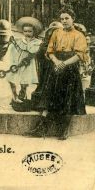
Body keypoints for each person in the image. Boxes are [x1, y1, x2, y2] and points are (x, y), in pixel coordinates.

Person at [28, 8, 89, 140]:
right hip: (56, 66)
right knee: (49, 95)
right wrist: (56, 62)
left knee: (68, 97)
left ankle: (64, 130)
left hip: (70, 68)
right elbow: (50, 51)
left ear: (73, 19)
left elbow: (79, 54)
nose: (64, 21)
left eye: (67, 18)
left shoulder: (79, 35)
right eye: (62, 19)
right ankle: (42, 128)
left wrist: (64, 63)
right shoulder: (56, 32)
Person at [7, 17, 42, 105]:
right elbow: (13, 50)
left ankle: (22, 94)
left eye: (30, 31)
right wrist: (12, 43)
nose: (27, 33)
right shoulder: (19, 41)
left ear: (34, 32)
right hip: (18, 63)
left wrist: (27, 45)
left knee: (24, 81)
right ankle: (14, 96)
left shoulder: (37, 42)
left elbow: (33, 51)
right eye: (25, 31)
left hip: (28, 64)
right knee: (11, 79)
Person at [30, 20, 62, 112]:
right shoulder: (45, 44)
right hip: (46, 68)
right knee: (44, 85)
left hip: (56, 69)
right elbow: (39, 54)